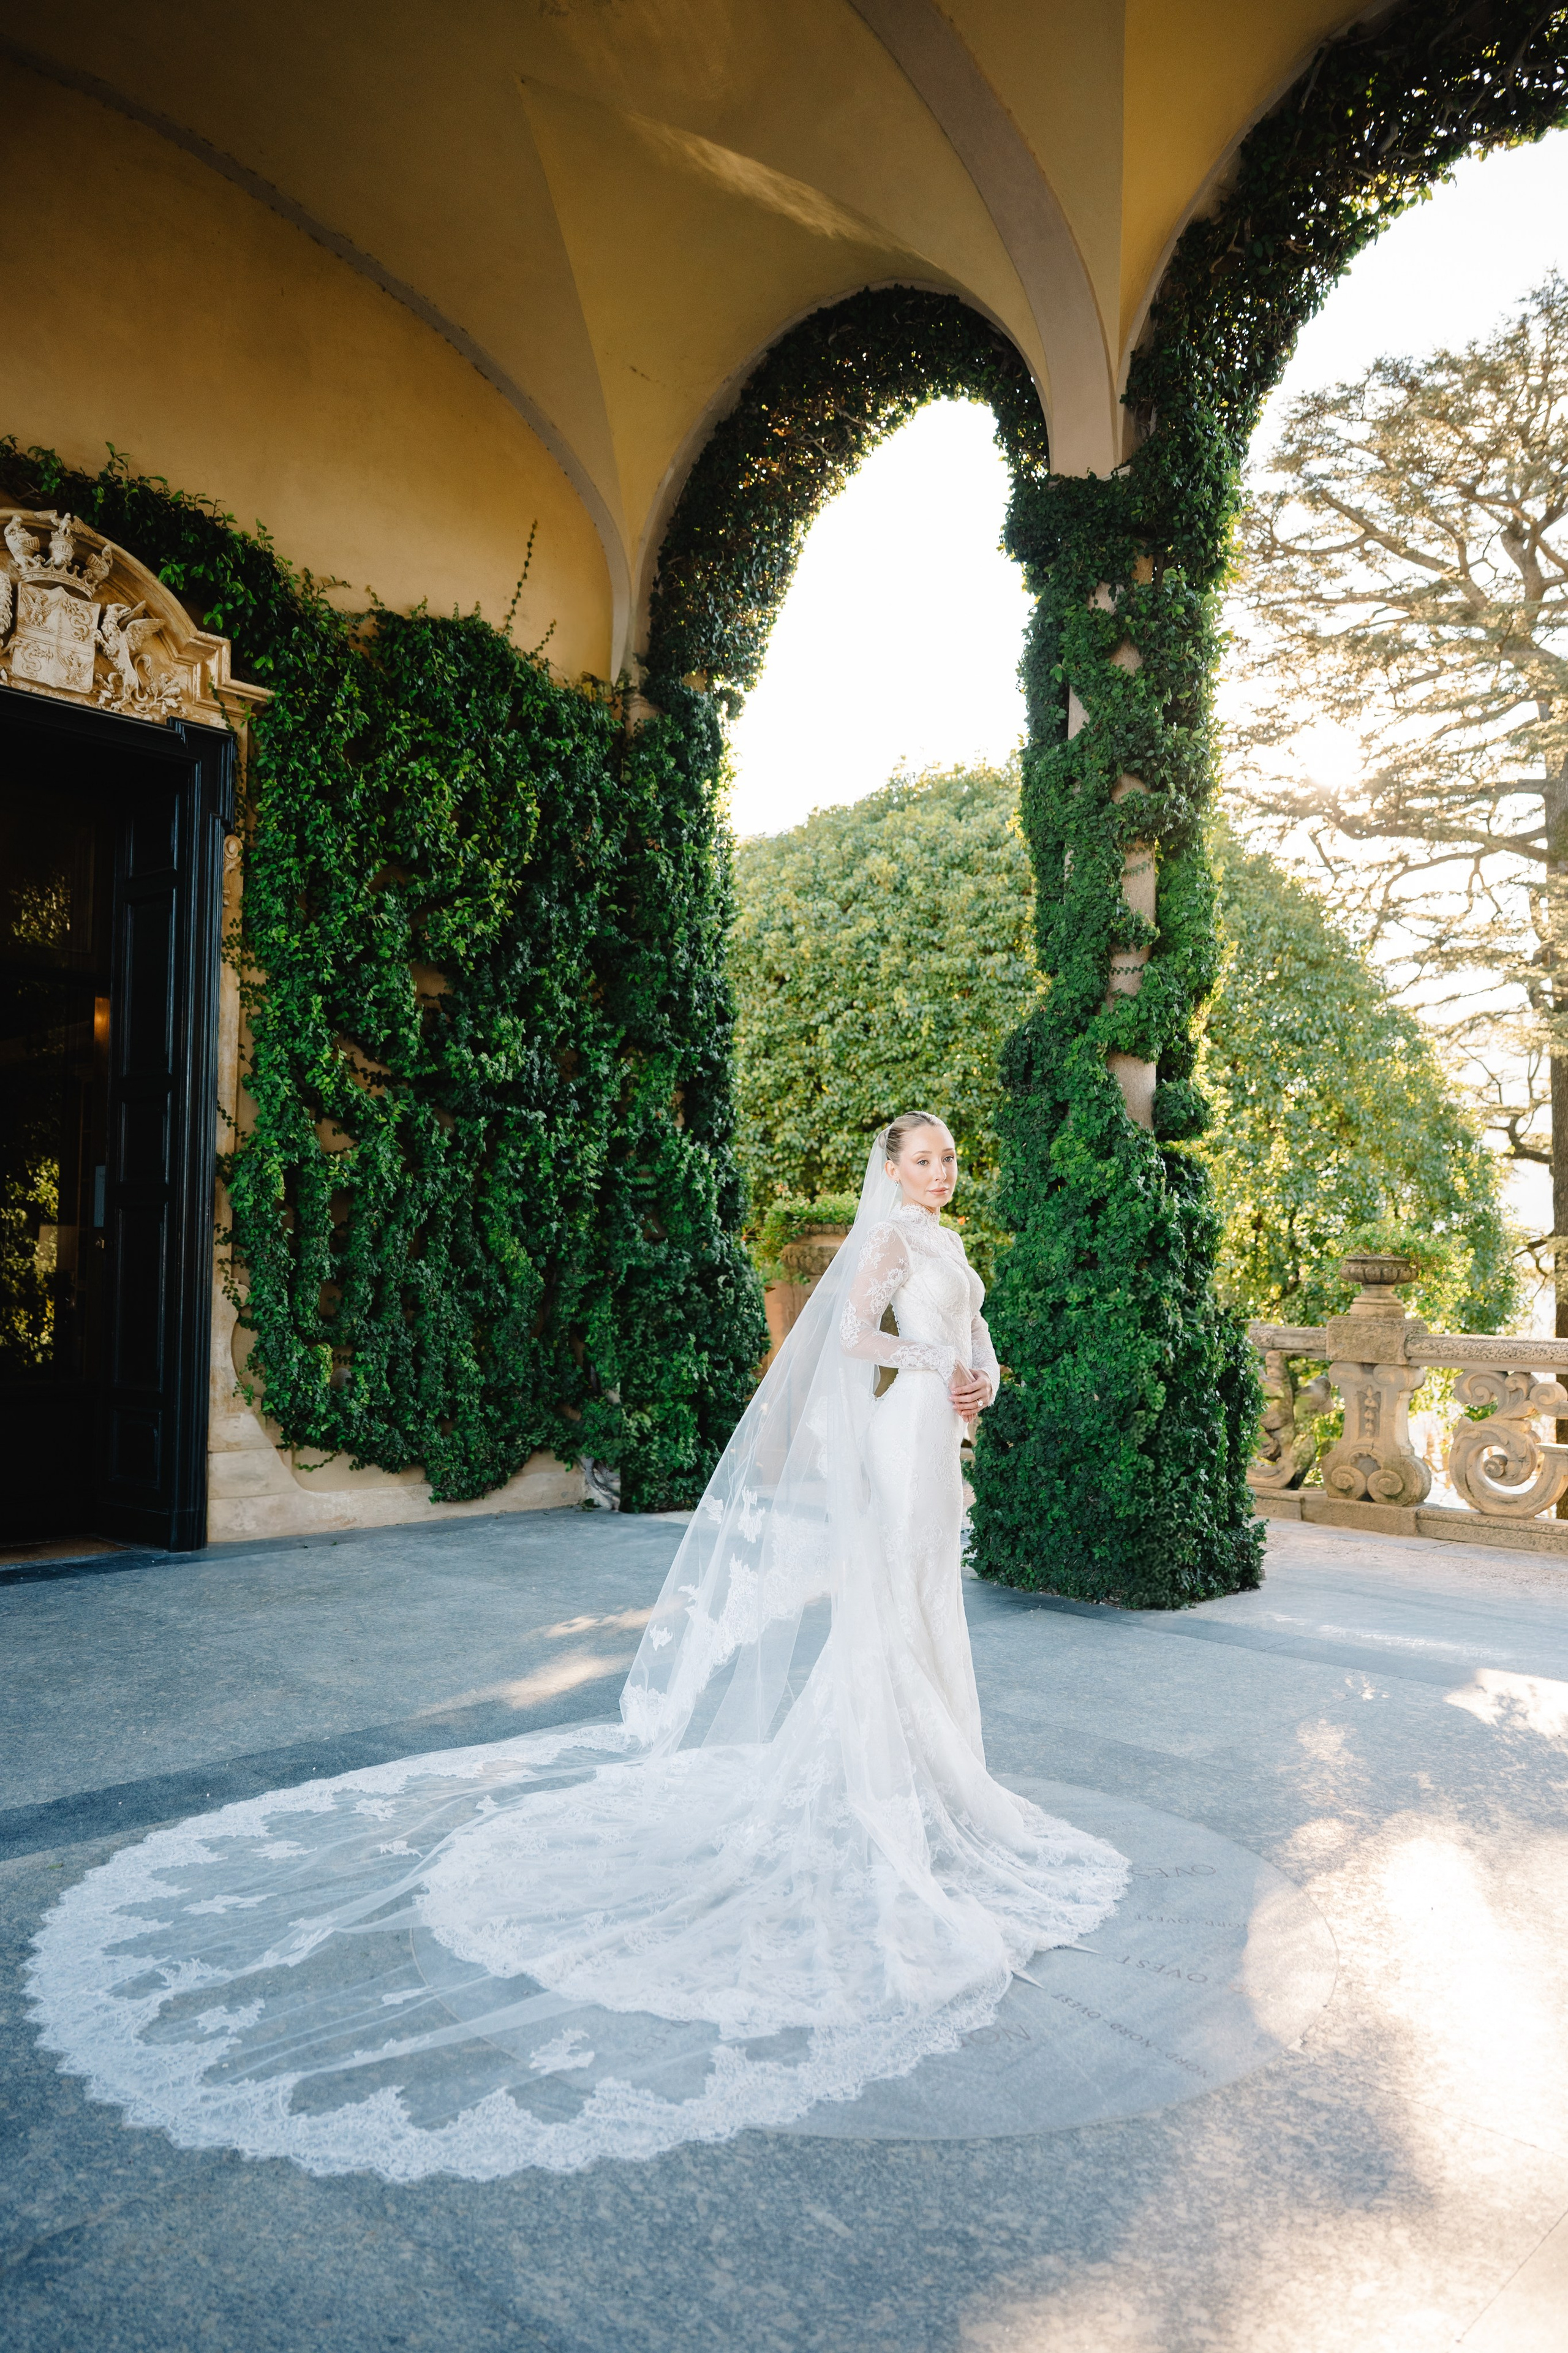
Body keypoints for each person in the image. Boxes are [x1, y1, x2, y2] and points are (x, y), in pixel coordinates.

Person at [29, 1117, 1126, 2181]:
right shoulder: (886, 1236)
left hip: (941, 1430)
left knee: (932, 1595)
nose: (941, 1170)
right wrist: (931, 1353)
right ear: (892, 1168)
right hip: (901, 1432)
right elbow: (849, 1337)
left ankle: (936, 1774)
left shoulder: (952, 1239)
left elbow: (971, 1338)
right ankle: (887, 1774)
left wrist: (980, 1372)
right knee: (891, 1599)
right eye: (924, 1157)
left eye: (947, 1157)